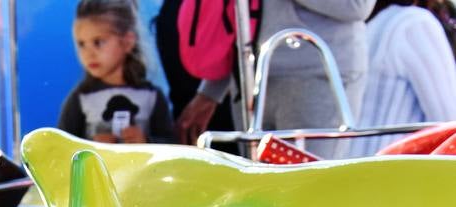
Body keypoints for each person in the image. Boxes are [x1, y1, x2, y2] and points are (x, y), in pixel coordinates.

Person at [176, 0, 375, 159]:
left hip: (315, 78)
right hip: (250, 85)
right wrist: (211, 91)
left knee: (308, 192)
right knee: (261, 194)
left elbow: (357, 5)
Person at [344, 0, 456, 157]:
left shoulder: (378, 21)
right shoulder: (415, 24)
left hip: (362, 166)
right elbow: (450, 121)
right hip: (395, 170)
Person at [58, 0, 175, 143]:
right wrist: (90, 147)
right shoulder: (80, 98)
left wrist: (146, 141)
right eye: (81, 44)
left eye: (98, 42)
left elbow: (171, 144)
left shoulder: (152, 96)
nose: (88, 54)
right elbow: (61, 148)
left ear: (127, 42)